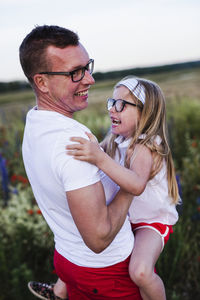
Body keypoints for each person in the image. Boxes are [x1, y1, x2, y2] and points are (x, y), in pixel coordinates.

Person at [28, 76, 180, 300]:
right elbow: (97, 161)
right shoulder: (116, 140)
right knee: (80, 243)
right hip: (128, 218)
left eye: (121, 105)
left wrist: (99, 159)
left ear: (145, 112)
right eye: (112, 102)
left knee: (140, 271)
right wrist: (91, 151)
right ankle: (58, 292)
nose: (113, 110)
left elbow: (136, 185)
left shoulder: (145, 146)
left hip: (151, 222)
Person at [20, 25, 142, 300]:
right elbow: (98, 239)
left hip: (68, 260)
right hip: (106, 273)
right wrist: (130, 183)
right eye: (75, 72)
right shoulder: (70, 144)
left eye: (87, 67)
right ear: (42, 82)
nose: (89, 79)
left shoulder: (35, 120)